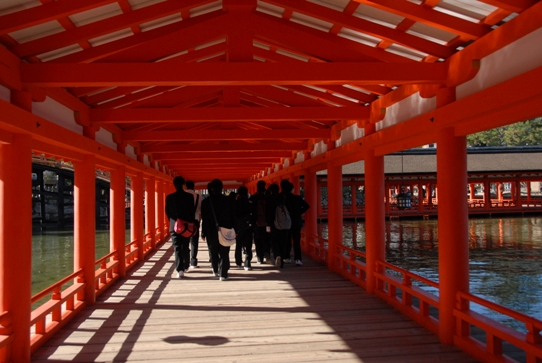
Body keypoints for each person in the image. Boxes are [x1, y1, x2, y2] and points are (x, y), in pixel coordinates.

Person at [201, 179, 237, 281]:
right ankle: (223, 274)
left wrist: (203, 232)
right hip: (226, 229)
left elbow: (204, 219)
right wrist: (236, 229)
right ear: (222, 188)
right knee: (224, 251)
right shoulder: (229, 201)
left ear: (212, 188)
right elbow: (233, 216)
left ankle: (215, 269)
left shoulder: (206, 202)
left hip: (211, 230)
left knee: (213, 250)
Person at [165, 176, 195, 278]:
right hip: (186, 226)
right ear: (183, 185)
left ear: (174, 185)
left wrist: (173, 222)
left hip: (174, 226)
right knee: (185, 246)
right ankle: (186, 265)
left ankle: (180, 269)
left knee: (177, 247)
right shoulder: (189, 197)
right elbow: (192, 212)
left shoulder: (169, 197)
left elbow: (168, 212)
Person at [284, 181, 310, 266]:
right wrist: (300, 212)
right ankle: (298, 259)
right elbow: (307, 206)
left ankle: (287, 257)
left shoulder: (283, 198)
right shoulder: (298, 198)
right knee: (296, 241)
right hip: (296, 222)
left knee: (287, 240)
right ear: (292, 189)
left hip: (286, 221)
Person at [266, 182, 291, 269]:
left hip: (273, 223)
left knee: (274, 241)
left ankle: (277, 255)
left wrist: (268, 224)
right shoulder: (284, 197)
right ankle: (282, 259)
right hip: (284, 222)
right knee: (283, 242)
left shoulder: (269, 199)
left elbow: (268, 213)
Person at [249, 180, 270, 264]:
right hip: (267, 222)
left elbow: (250, 210)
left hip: (256, 222)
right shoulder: (268, 197)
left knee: (257, 240)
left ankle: (259, 257)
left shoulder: (253, 197)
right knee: (267, 239)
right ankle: (267, 254)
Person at [234, 186, 253, 270]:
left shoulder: (236, 203)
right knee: (248, 244)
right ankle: (247, 262)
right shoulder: (250, 202)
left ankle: (238, 261)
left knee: (238, 244)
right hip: (248, 225)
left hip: (238, 226)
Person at [185, 180, 202, 269]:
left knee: (185, 241)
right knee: (194, 242)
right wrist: (199, 221)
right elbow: (199, 211)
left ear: (185, 186)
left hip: (184, 222)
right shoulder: (198, 196)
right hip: (195, 220)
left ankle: (185, 261)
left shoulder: (182, 195)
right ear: (193, 186)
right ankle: (193, 261)